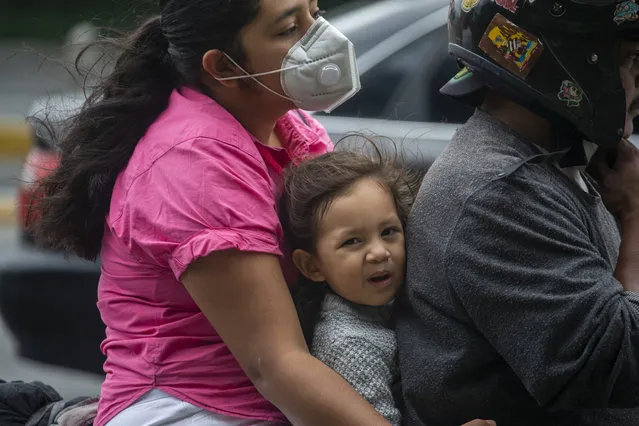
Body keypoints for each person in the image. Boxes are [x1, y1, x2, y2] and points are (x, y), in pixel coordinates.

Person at [28, 0, 402, 425]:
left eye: (314, 14)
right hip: (193, 408)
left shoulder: (288, 126)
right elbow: (275, 366)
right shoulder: (195, 160)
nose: (321, 37)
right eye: (288, 29)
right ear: (223, 68)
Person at [396, 0, 639, 425]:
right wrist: (637, 215)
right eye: (633, 60)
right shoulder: (499, 191)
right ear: (571, 59)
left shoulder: (549, 164)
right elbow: (615, 364)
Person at [279, 148, 496, 426]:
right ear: (312, 266)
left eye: (388, 232)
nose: (379, 253)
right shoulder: (351, 345)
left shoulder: (403, 295)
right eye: (353, 241)